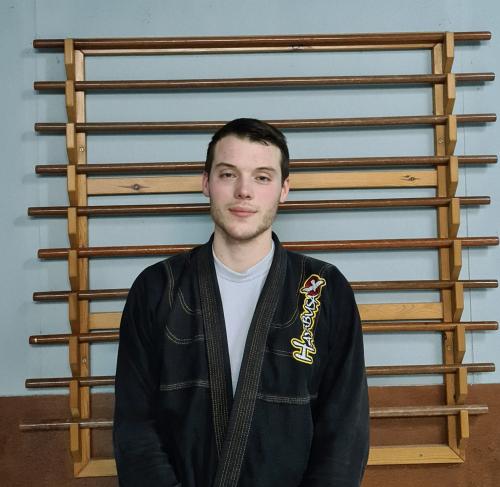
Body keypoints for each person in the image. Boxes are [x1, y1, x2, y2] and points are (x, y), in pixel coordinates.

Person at [113, 118, 369, 487]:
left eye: (262, 177)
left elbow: (345, 435)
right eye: (228, 174)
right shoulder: (156, 289)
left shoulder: (324, 289)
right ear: (206, 183)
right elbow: (135, 427)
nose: (244, 191)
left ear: (284, 190)